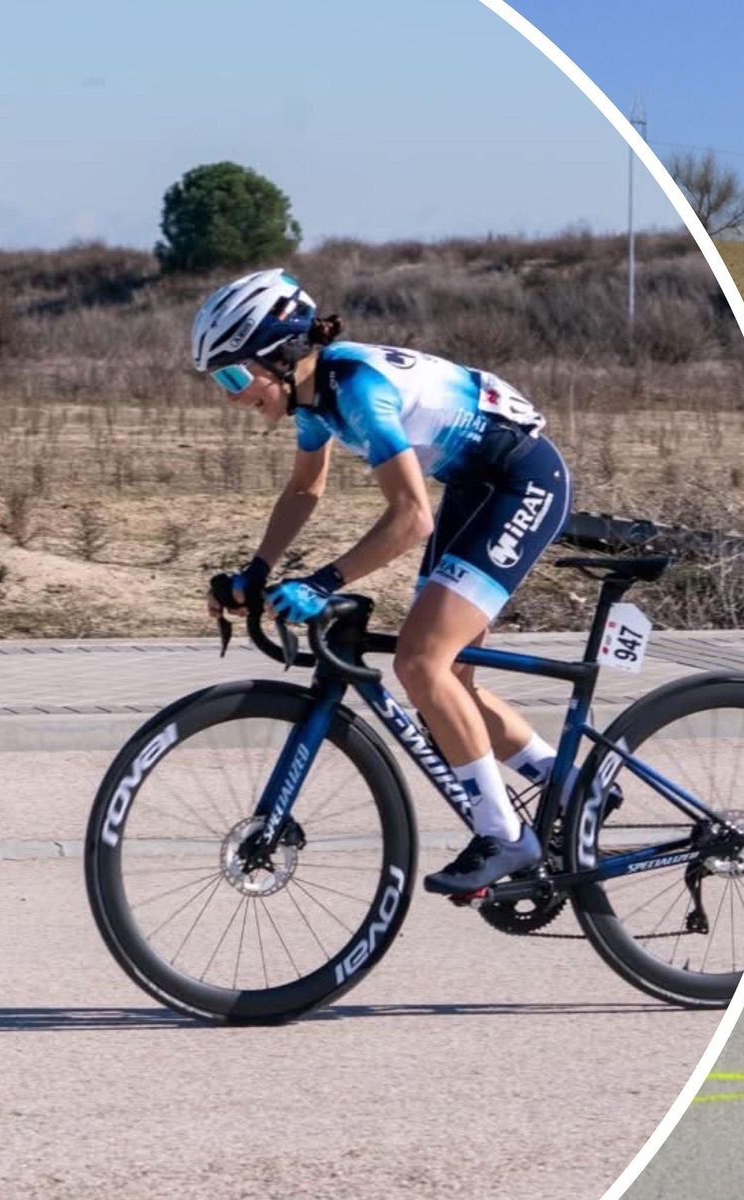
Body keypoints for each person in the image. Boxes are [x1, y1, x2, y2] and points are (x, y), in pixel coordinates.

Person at [194, 268, 572, 893]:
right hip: (476, 487)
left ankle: (504, 837)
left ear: (280, 355)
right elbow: (305, 488)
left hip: (521, 482)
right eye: (220, 383)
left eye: (234, 377)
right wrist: (255, 573)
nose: (232, 397)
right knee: (445, 683)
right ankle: (573, 787)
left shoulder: (355, 389)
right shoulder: (313, 395)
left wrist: (322, 581)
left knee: (421, 663)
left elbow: (412, 518)